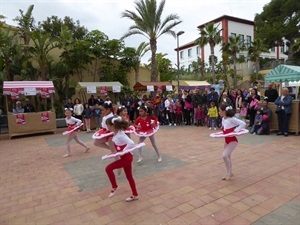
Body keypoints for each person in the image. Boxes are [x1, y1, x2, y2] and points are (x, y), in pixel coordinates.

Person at [105, 116, 140, 202]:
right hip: (126, 158)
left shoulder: (120, 134)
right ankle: (135, 194)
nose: (107, 127)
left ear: (113, 126)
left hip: (126, 158)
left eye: (108, 125)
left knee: (108, 168)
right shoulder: (117, 133)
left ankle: (114, 186)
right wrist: (116, 152)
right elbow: (120, 146)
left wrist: (123, 151)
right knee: (129, 177)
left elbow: (131, 143)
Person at [218, 103, 246, 180]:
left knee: (224, 156)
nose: (219, 112)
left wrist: (236, 131)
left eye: (220, 110)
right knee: (228, 157)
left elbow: (243, 123)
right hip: (226, 141)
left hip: (233, 141)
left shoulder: (232, 119)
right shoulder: (223, 119)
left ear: (224, 111)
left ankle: (228, 173)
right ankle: (230, 172)